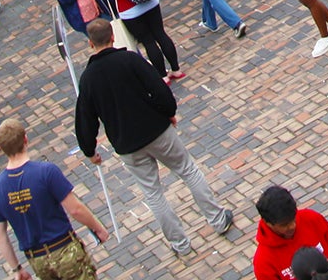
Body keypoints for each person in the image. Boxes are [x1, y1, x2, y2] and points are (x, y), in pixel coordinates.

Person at [75, 17, 235, 257]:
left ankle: (180, 244)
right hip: (157, 130)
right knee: (188, 171)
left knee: (153, 193)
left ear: (90, 43)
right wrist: (169, 112)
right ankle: (218, 219)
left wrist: (90, 150)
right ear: (112, 36)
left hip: (128, 144)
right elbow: (159, 88)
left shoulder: (88, 79)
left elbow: (85, 119)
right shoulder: (130, 60)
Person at [0, 118, 111, 280]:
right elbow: (75, 209)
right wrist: (97, 228)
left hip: (37, 259)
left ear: (1, 148)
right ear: (25, 139)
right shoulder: (46, 172)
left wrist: (17, 268)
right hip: (64, 249)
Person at [253, 185, 328, 280]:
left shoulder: (312, 219)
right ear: (268, 223)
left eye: (293, 219)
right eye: (284, 225)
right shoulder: (263, 261)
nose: (292, 226)